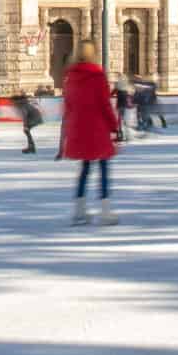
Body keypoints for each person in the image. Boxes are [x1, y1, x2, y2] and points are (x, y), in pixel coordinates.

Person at [60, 40, 120, 227]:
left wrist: (68, 131)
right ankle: (105, 211)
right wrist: (114, 126)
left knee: (84, 169)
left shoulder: (70, 77)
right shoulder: (97, 75)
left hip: (79, 129)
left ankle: (79, 210)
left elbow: (68, 106)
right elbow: (104, 104)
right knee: (103, 168)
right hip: (98, 128)